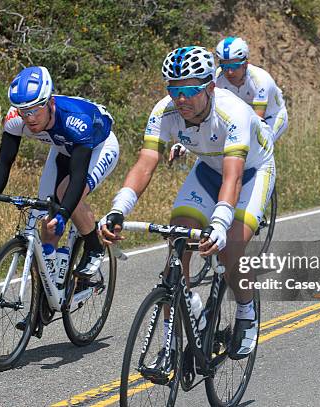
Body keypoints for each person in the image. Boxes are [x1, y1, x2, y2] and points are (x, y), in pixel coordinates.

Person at [101, 46, 276, 362]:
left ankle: (246, 310)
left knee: (230, 249)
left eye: (190, 90)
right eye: (174, 89)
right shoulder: (164, 111)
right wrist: (118, 209)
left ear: (210, 86)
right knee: (177, 243)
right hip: (209, 170)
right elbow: (146, 162)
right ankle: (171, 342)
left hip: (251, 173)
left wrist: (221, 223)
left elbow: (234, 176)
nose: (180, 99)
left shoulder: (232, 112)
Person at [0, 66, 119, 279]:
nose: (29, 118)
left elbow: (77, 176)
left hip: (98, 146)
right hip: (62, 149)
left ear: (50, 103)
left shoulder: (75, 121)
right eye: (23, 111)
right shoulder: (16, 117)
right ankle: (46, 298)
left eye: (34, 110)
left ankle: (94, 247)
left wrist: (64, 213)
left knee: (66, 193)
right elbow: (4, 161)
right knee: (47, 223)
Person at [215, 36, 288, 143]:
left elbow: (258, 121)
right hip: (244, 118)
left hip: (272, 116)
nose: (230, 72)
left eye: (235, 66)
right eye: (225, 66)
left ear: (245, 64)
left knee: (260, 144)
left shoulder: (260, 80)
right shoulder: (217, 79)